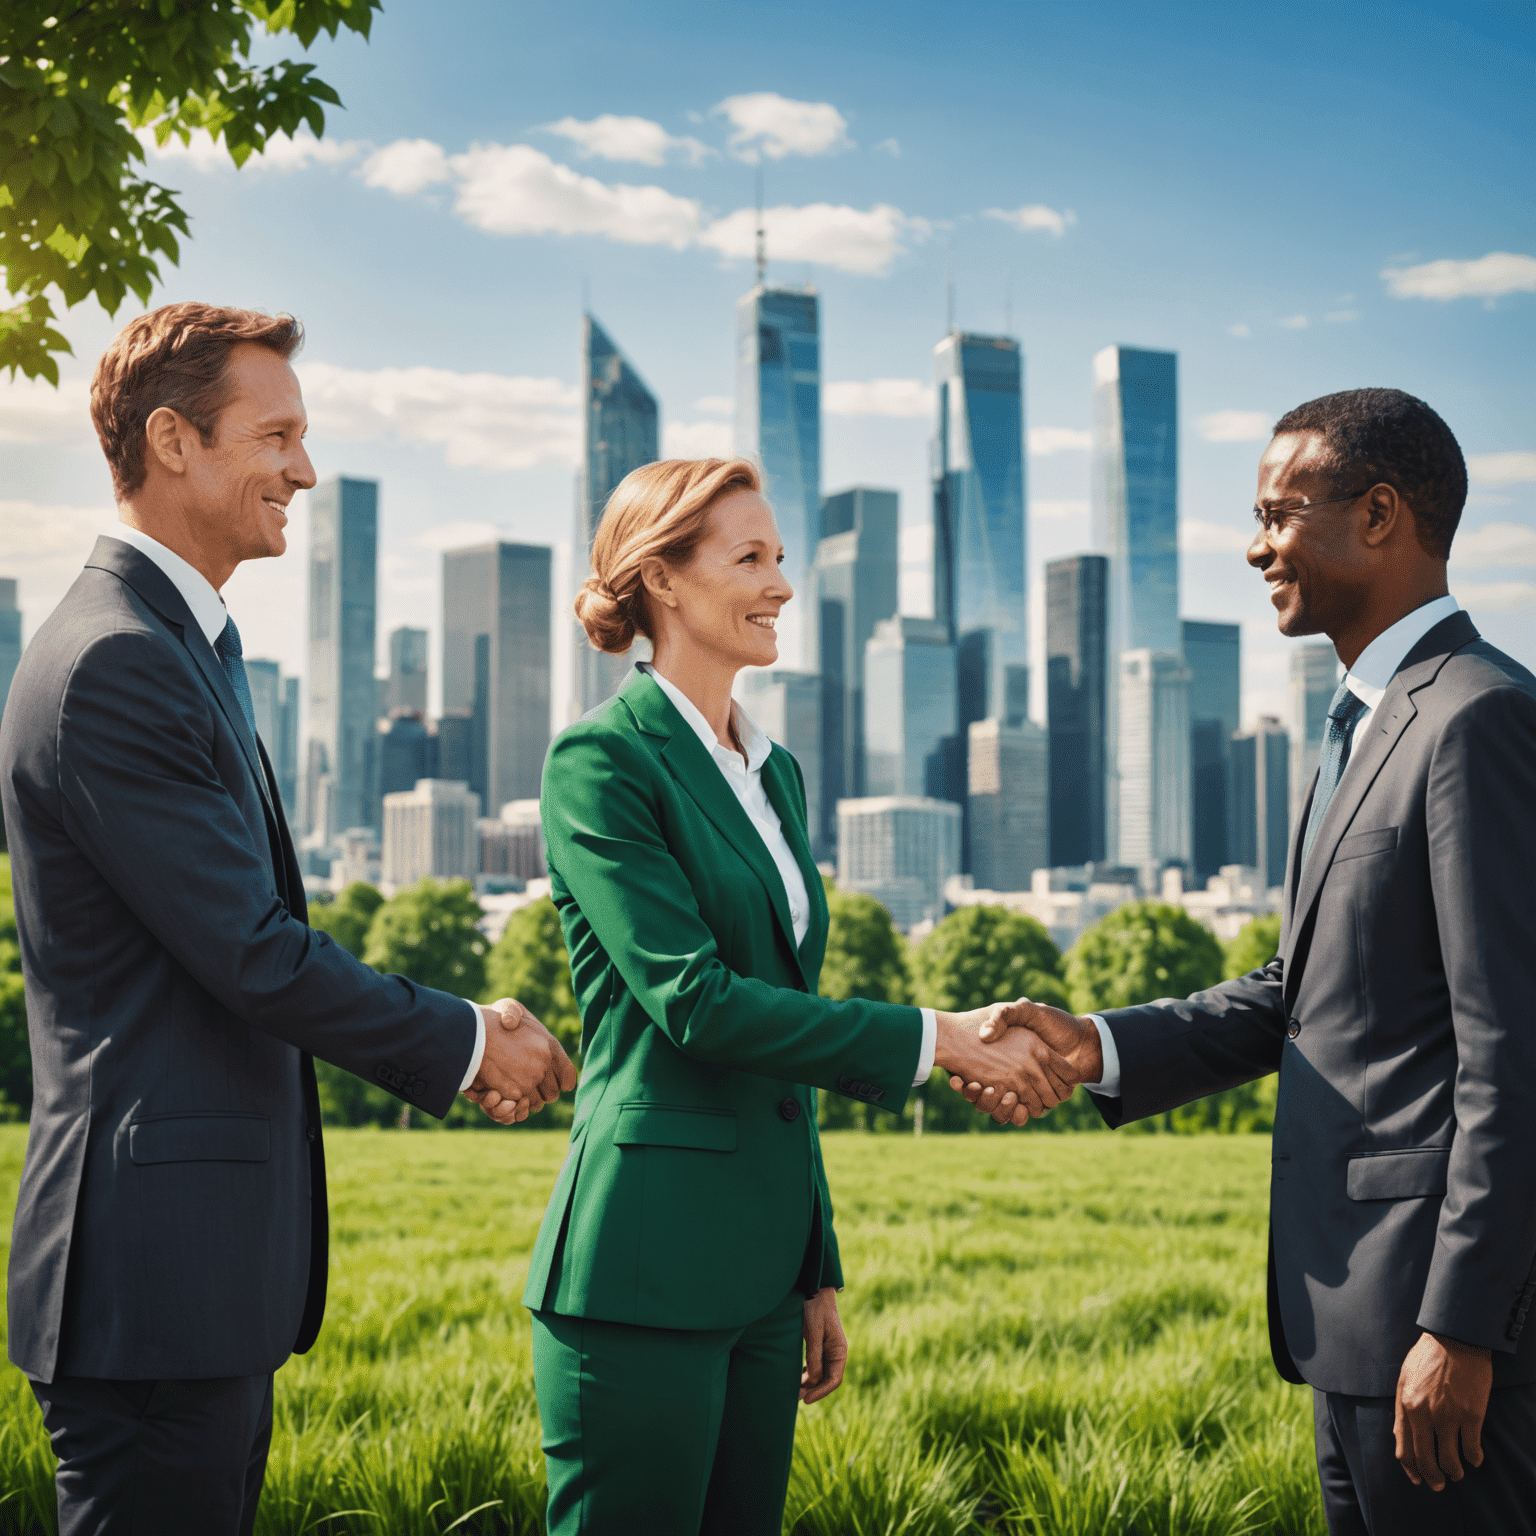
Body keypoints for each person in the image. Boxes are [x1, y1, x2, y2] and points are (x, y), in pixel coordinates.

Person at [0, 303, 576, 1536]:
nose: (304, 471)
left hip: (190, 1278)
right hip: (147, 1280)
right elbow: (252, 951)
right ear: (172, 441)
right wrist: (470, 1038)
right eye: (276, 436)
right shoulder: (117, 661)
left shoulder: (181, 643)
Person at [968, 389, 1536, 1534]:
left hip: (1438, 1334)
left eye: (1280, 513)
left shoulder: (1475, 718)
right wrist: (1101, 1045)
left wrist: (1463, 1328)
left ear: (1379, 516)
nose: (1255, 543)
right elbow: (1302, 991)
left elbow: (1512, 1051)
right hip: (1351, 1325)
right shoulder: (1364, 726)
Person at [524, 456, 1077, 1535]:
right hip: (642, 1267)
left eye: (781, 558)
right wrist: (938, 1039)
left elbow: (784, 1023)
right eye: (751, 559)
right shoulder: (600, 762)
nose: (782, 584)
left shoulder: (774, 773)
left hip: (765, 1278)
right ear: (666, 581)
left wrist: (812, 1266)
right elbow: (700, 1004)